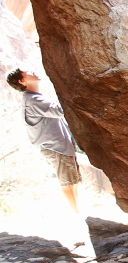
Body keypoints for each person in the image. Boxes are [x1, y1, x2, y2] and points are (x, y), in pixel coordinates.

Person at [6, 68, 81, 215]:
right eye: (27, 72)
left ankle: (77, 210)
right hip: (56, 147)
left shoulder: (34, 97)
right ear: (22, 81)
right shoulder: (33, 100)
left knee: (71, 180)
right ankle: (76, 213)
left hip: (58, 146)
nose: (32, 72)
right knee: (68, 181)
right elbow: (60, 110)